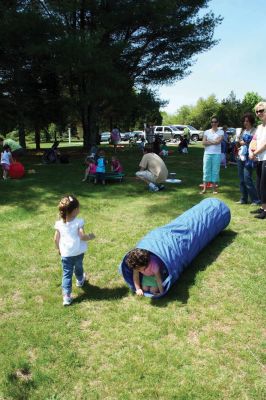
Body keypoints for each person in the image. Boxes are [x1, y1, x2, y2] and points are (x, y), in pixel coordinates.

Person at [54, 195, 95, 306]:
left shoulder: (59, 224)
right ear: (75, 210)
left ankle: (67, 297)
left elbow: (55, 239)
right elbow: (82, 237)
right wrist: (90, 237)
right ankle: (80, 280)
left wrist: (58, 249)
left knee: (66, 274)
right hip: (78, 251)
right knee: (78, 266)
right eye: (78, 207)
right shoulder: (79, 222)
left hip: (66, 254)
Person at [235, 113, 259, 205]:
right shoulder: (241, 131)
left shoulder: (255, 131)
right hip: (240, 157)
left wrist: (245, 143)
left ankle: (256, 199)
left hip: (249, 157)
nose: (245, 123)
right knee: (241, 180)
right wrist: (237, 141)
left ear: (251, 121)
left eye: (247, 121)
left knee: (247, 178)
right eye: (244, 121)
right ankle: (243, 199)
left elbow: (255, 143)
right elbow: (237, 144)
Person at [249, 102, 266, 219]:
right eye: (257, 111)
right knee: (259, 183)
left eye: (262, 110)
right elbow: (253, 141)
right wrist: (250, 151)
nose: (259, 113)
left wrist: (254, 153)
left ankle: (265, 210)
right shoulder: (259, 127)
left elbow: (265, 144)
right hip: (259, 158)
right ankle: (262, 206)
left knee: (264, 185)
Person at [200, 116, 224, 194]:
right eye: (212, 122)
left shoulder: (221, 132)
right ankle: (204, 189)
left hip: (217, 154)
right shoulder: (206, 131)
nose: (213, 123)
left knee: (215, 171)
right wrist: (214, 141)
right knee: (206, 170)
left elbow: (218, 142)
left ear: (218, 123)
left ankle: (214, 189)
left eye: (215, 122)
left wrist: (209, 141)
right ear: (211, 123)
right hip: (207, 154)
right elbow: (203, 143)